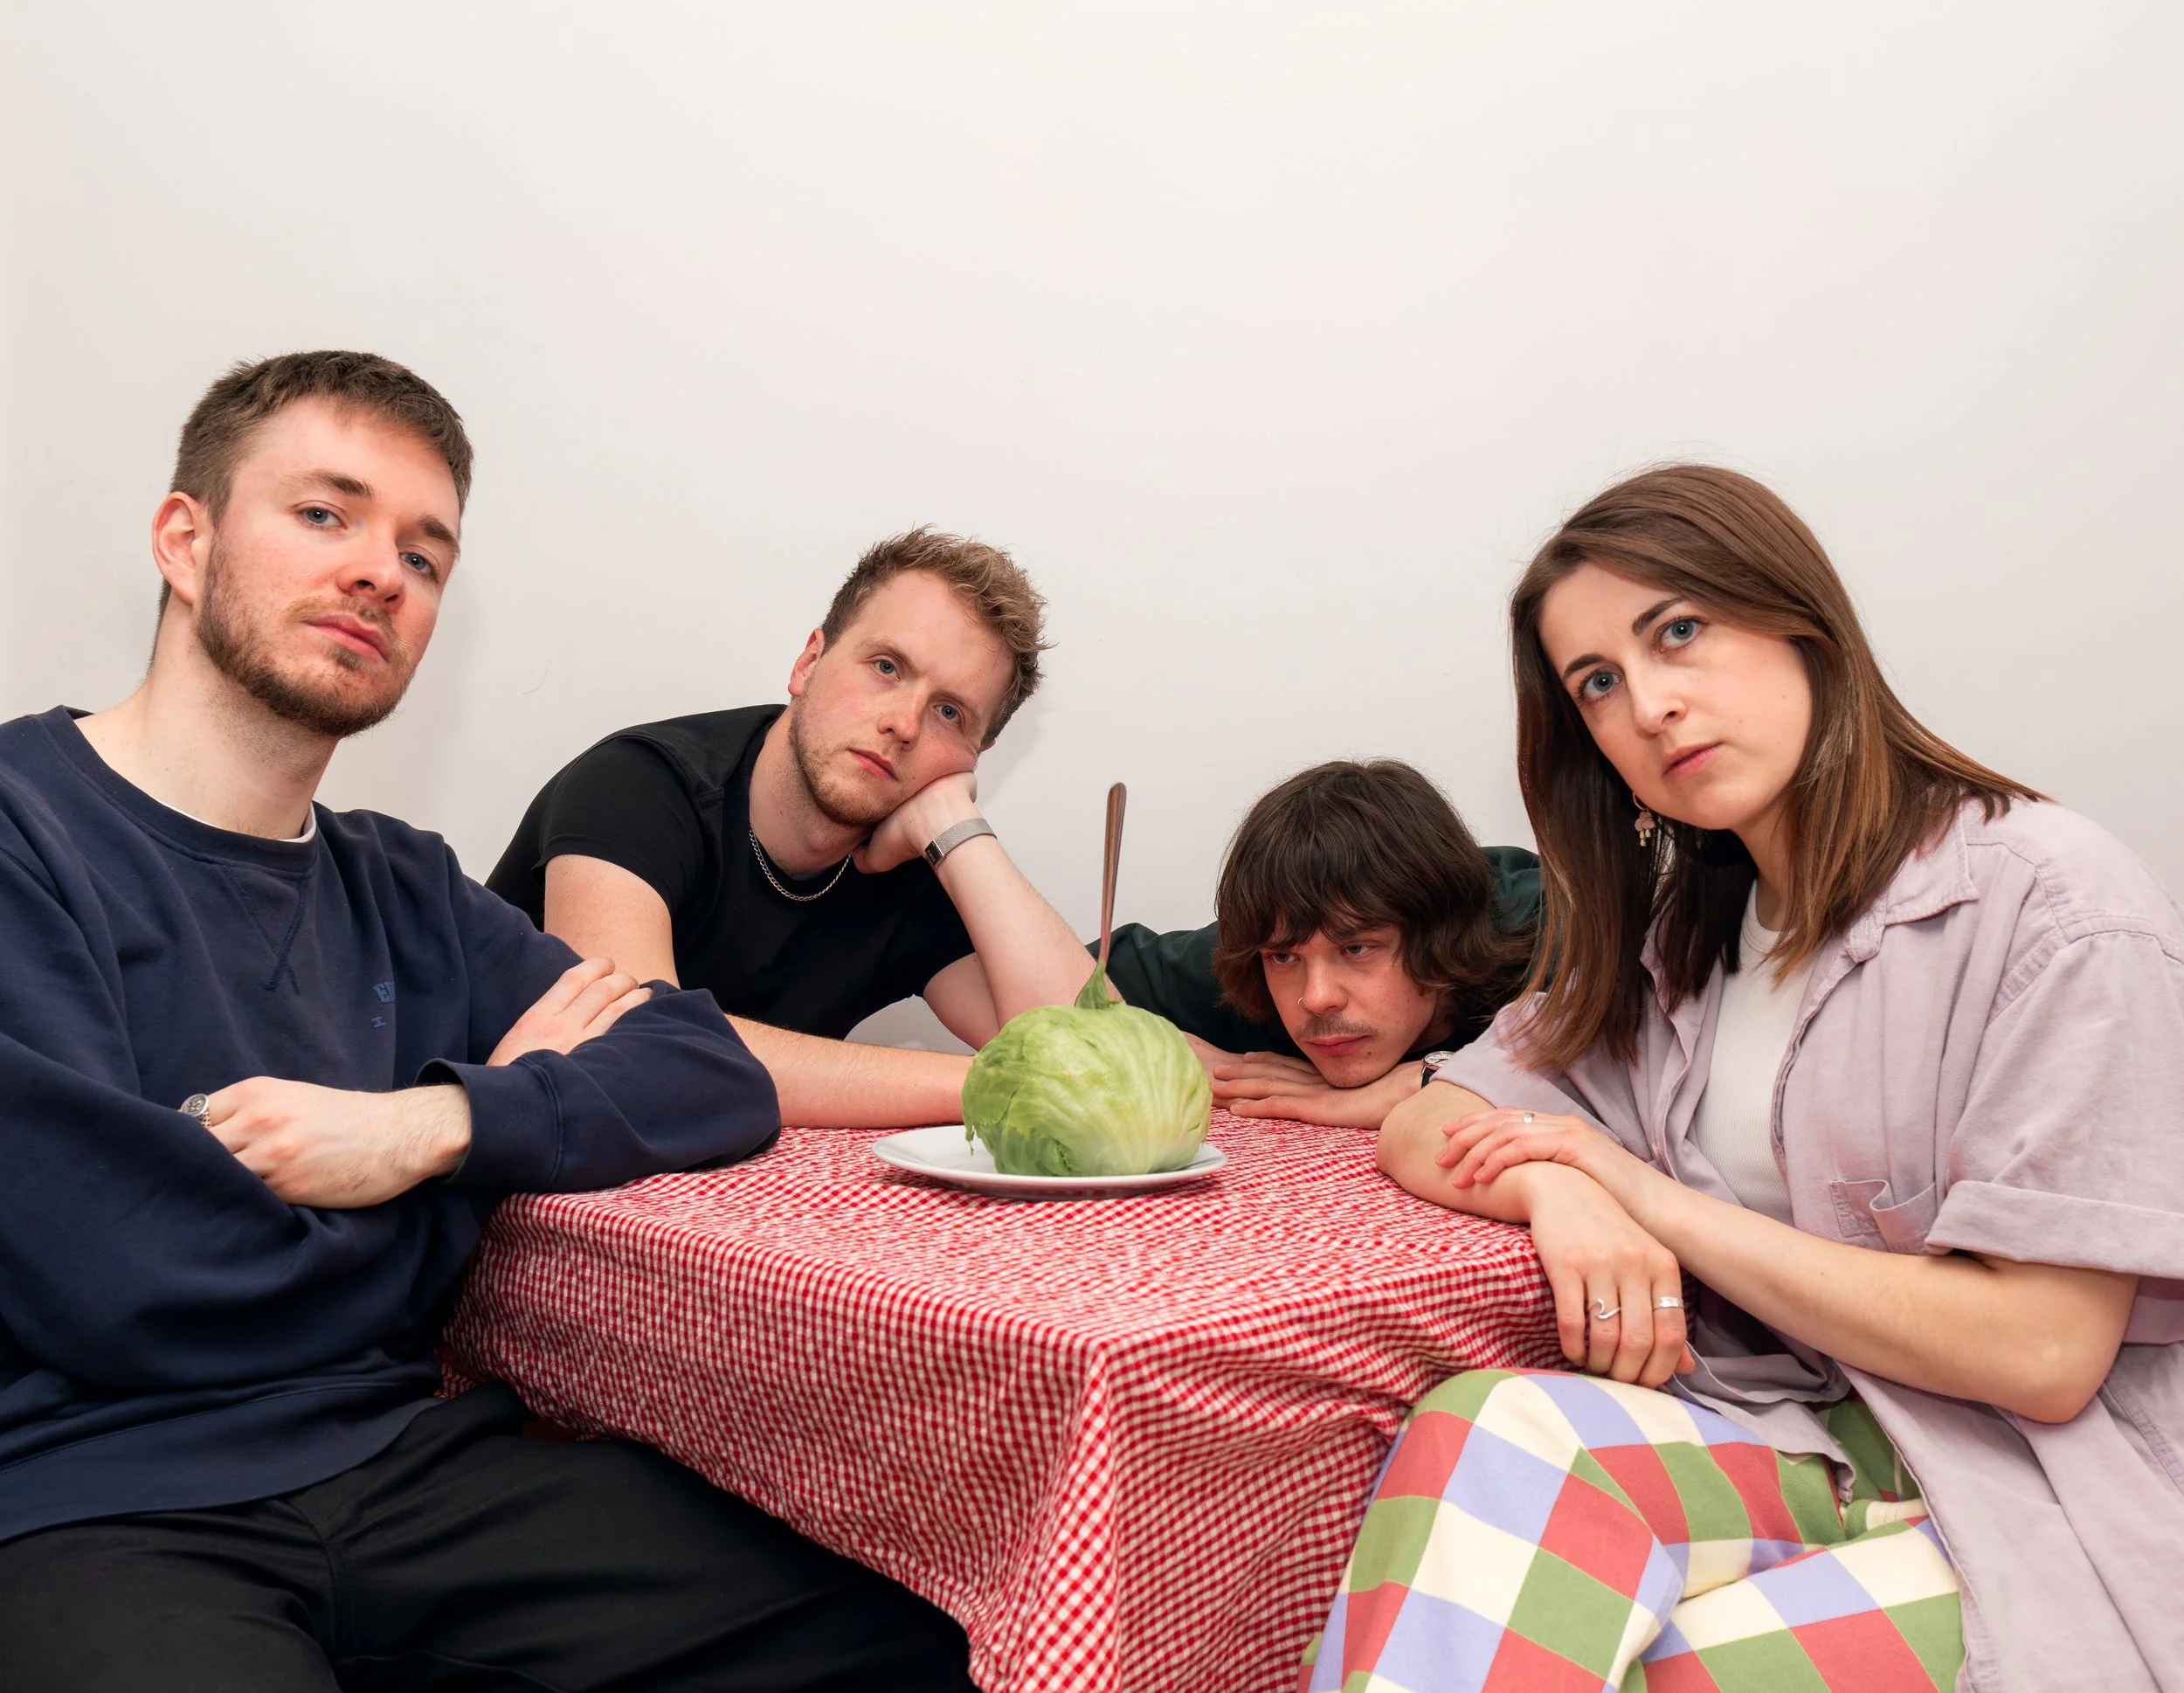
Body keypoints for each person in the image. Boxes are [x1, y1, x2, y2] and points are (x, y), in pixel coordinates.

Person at [0, 351, 973, 1693]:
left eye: (424, 553)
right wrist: (458, 1195)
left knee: (922, 1647)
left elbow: (703, 1069)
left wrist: (438, 1124)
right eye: (326, 514)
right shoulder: (21, 834)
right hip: (88, 1503)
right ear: (186, 537)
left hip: (400, 1462)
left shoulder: (400, 881)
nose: (380, 573)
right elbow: (136, 1287)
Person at [1310, 466, 2184, 1693]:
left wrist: (1643, 1195)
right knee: (1482, 1429)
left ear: (1801, 621)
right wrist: (1560, 1192)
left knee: (1648, 1664)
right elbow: (1434, 1113)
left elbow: (2042, 1353)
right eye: (1599, 684)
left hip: (2023, 1487)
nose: (1651, 705)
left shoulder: (2056, 905)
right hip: (1792, 1437)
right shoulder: (1685, 939)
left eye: (1679, 632)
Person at [487, 529, 1097, 1126]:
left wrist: (956, 824)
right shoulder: (638, 786)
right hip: (464, 1191)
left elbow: (1096, 1063)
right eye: (887, 667)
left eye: (949, 713)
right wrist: (989, 1084)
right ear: (809, 661)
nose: (905, 725)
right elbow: (637, 1048)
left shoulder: (913, 867)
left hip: (692, 1208)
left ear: (975, 753)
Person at [1102, 759, 1539, 1126]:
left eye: (1356, 949)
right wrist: (1171, 1050)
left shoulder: (1551, 929)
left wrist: (1426, 1079)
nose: (1316, 998)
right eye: (1285, 957)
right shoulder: (1261, 947)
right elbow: (1070, 989)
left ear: (1444, 933)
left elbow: (1601, 1065)